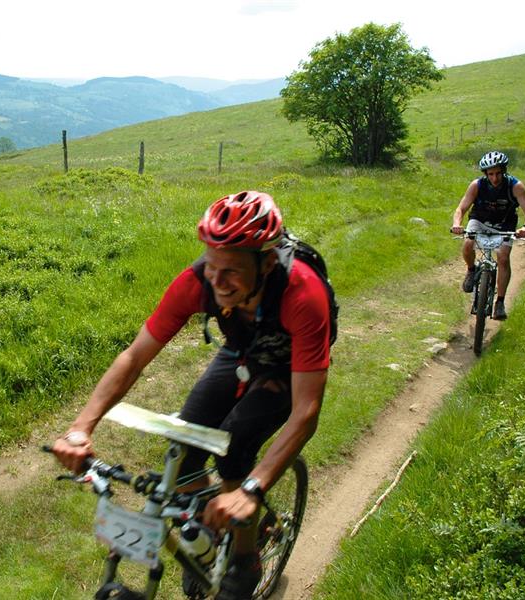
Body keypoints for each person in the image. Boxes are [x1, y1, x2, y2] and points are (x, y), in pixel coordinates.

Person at [52, 190, 331, 599]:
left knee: (234, 451)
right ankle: (212, 527)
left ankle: (245, 555)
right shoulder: (198, 281)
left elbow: (307, 409)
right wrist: (80, 428)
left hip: (286, 367)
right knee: (181, 452)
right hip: (241, 350)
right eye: (211, 266)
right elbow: (133, 357)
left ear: (267, 263)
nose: (217, 282)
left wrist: (250, 491)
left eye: (232, 271)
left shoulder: (303, 294)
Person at [450, 150, 525, 320]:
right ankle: (471, 270)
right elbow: (461, 208)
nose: (495, 178)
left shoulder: (515, 186)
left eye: (498, 173)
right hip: (480, 221)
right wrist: (456, 224)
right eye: (491, 174)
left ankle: (500, 302)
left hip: (504, 224)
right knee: (468, 244)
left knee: (503, 257)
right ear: (485, 174)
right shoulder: (477, 185)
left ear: (504, 171)